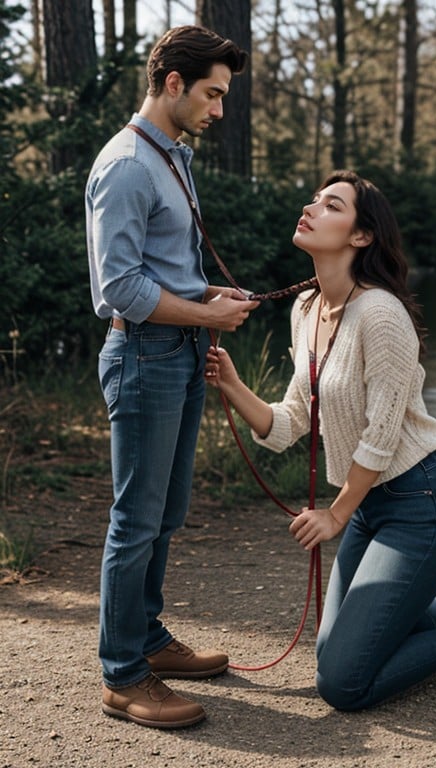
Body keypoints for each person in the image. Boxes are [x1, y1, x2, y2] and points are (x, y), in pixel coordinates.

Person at [205, 169, 436, 710]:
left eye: (331, 205)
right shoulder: (306, 312)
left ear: (361, 236)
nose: (311, 207)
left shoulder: (381, 313)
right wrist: (232, 385)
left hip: (424, 506)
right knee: (333, 653)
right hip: (371, 507)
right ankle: (415, 600)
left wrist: (336, 515)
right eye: (313, 200)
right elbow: (289, 423)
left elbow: (381, 436)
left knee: (342, 683)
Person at [85, 25, 259, 729]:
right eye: (214, 94)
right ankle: (122, 674)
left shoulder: (172, 156)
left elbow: (165, 271)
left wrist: (205, 301)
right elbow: (119, 289)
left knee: (166, 514)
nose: (220, 110)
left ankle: (148, 639)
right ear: (174, 82)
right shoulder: (127, 163)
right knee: (135, 521)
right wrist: (204, 315)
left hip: (180, 351)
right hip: (144, 356)